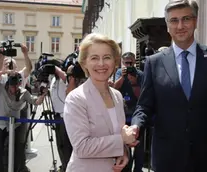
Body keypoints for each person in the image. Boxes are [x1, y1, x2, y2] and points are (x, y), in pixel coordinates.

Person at [130, 0, 207, 172]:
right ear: (167, 25)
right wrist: (136, 126)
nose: (180, 25)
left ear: (195, 21)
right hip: (167, 158)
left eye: (186, 19)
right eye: (174, 20)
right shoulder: (154, 63)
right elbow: (144, 105)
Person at [63, 33, 138, 172]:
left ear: (115, 61)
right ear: (84, 62)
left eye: (107, 57)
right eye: (94, 58)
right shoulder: (76, 99)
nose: (101, 64)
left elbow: (115, 133)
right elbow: (82, 147)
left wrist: (123, 152)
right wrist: (122, 140)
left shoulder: (116, 95)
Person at [0, 69, 47, 172]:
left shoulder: (24, 93)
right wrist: (2, 72)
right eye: (11, 86)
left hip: (15, 126)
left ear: (19, 84)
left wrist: (42, 96)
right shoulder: (1, 88)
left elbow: (35, 102)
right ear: (8, 84)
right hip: (1, 124)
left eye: (16, 86)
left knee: (17, 150)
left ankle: (17, 169)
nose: (14, 89)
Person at [0, 43, 32, 172]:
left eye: (12, 65)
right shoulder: (2, 77)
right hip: (1, 118)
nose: (10, 67)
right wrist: (1, 61)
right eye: (7, 65)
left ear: (17, 66)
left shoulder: (20, 76)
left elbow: (29, 68)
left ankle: (18, 169)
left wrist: (25, 53)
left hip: (18, 118)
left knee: (18, 147)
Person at [114, 52, 144, 172]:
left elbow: (141, 96)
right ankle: (126, 168)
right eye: (126, 63)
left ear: (135, 62)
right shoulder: (119, 73)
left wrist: (134, 82)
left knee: (139, 144)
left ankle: (138, 168)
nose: (129, 65)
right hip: (123, 113)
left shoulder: (140, 74)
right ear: (122, 63)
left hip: (136, 113)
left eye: (131, 62)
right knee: (125, 144)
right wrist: (123, 77)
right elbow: (115, 89)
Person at [49, 64, 72, 172]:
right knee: (60, 144)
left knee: (66, 144)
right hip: (56, 115)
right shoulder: (53, 79)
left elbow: (65, 77)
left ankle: (68, 167)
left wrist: (55, 68)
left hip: (64, 115)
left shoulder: (65, 78)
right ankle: (64, 165)